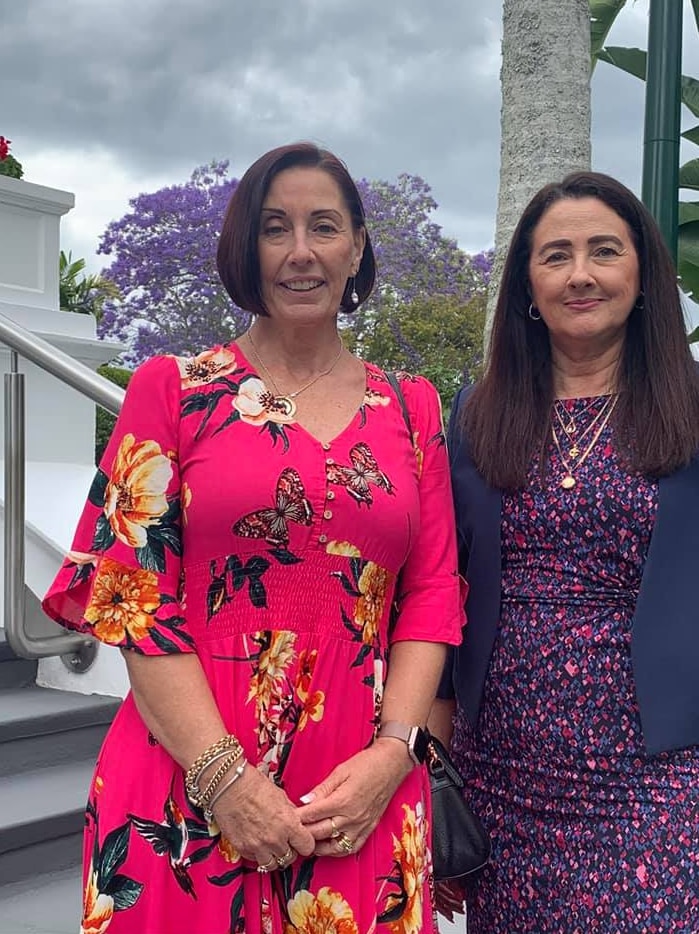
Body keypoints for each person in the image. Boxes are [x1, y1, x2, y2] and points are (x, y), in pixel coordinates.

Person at [42, 142, 463, 933]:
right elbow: (135, 598)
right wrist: (224, 779)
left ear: (357, 247)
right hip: (186, 779)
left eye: (323, 227)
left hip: (356, 795)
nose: (300, 252)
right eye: (276, 229)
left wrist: (393, 755)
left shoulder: (412, 411)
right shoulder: (171, 391)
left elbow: (433, 594)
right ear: (248, 246)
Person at [431, 171, 699, 933]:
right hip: (501, 776)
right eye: (554, 256)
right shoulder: (477, 414)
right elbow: (443, 597)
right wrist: (434, 770)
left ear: (642, 274)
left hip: (655, 774)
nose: (579, 274)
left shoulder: (692, 407)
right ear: (526, 284)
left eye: (603, 251)